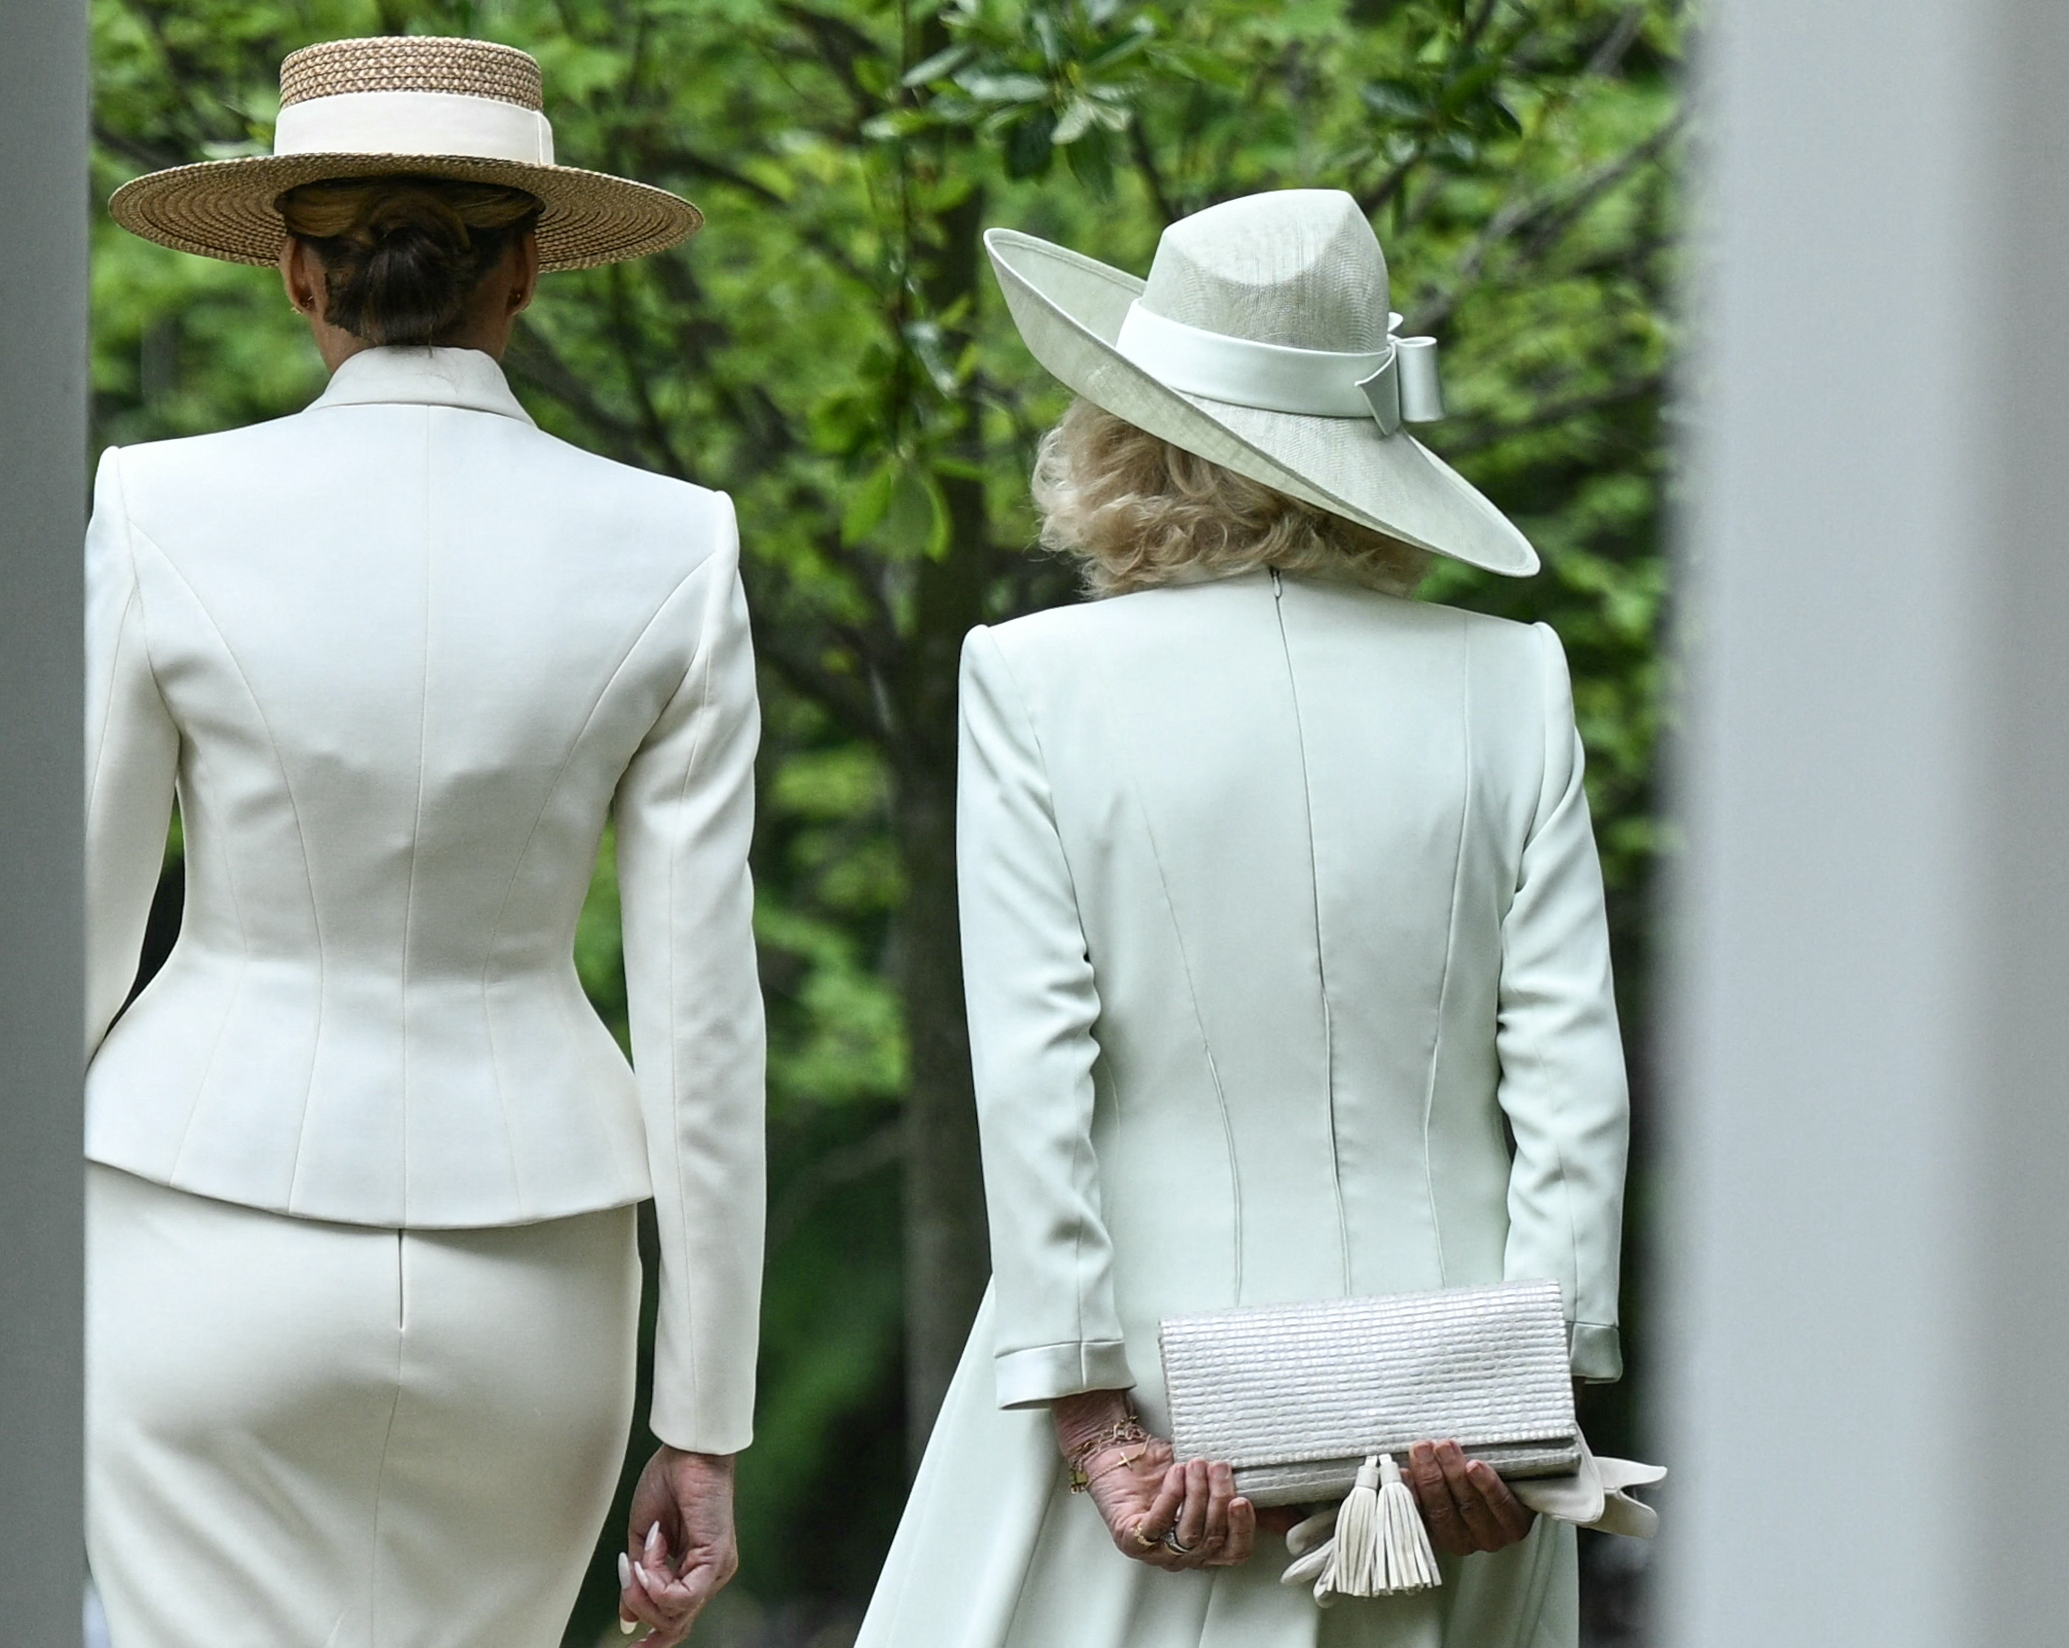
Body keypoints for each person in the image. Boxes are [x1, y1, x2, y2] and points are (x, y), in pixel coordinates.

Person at [855, 190, 1630, 1648]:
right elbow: (1569, 1077)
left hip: (1153, 1396)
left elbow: (1032, 1071)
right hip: (1456, 1403)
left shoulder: (1031, 680)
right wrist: (1540, 1392)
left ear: (1118, 435)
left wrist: (1092, 1417)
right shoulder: (1509, 677)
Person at [88, 37, 761, 1648]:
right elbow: (703, 1018)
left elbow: (79, 936)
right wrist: (705, 1421)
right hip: (531, 1267)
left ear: (297, 277)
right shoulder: (676, 542)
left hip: (195, 1220)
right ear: (525, 271)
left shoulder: (158, 502)